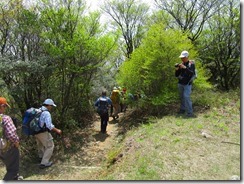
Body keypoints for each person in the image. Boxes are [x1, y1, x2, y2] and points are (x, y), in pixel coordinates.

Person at [0, 97, 23, 180]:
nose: (5, 108)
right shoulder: (5, 118)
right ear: (2, 106)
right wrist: (16, 143)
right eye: (5, 106)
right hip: (8, 148)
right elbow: (11, 134)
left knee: (10, 167)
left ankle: (15, 179)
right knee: (12, 170)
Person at [35, 98, 62, 169]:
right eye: (51, 106)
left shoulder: (39, 110)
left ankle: (41, 158)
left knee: (40, 145)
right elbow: (49, 126)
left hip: (36, 132)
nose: (51, 107)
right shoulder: (46, 113)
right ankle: (44, 163)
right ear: (49, 105)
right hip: (43, 132)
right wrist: (57, 130)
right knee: (50, 146)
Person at [175, 51, 196, 117]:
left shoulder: (191, 64)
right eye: (181, 58)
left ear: (187, 57)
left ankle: (190, 113)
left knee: (186, 97)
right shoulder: (181, 64)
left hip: (187, 83)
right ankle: (182, 109)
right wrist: (177, 69)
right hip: (180, 83)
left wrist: (185, 68)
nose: (182, 59)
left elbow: (191, 73)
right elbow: (176, 75)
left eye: (183, 57)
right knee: (182, 97)